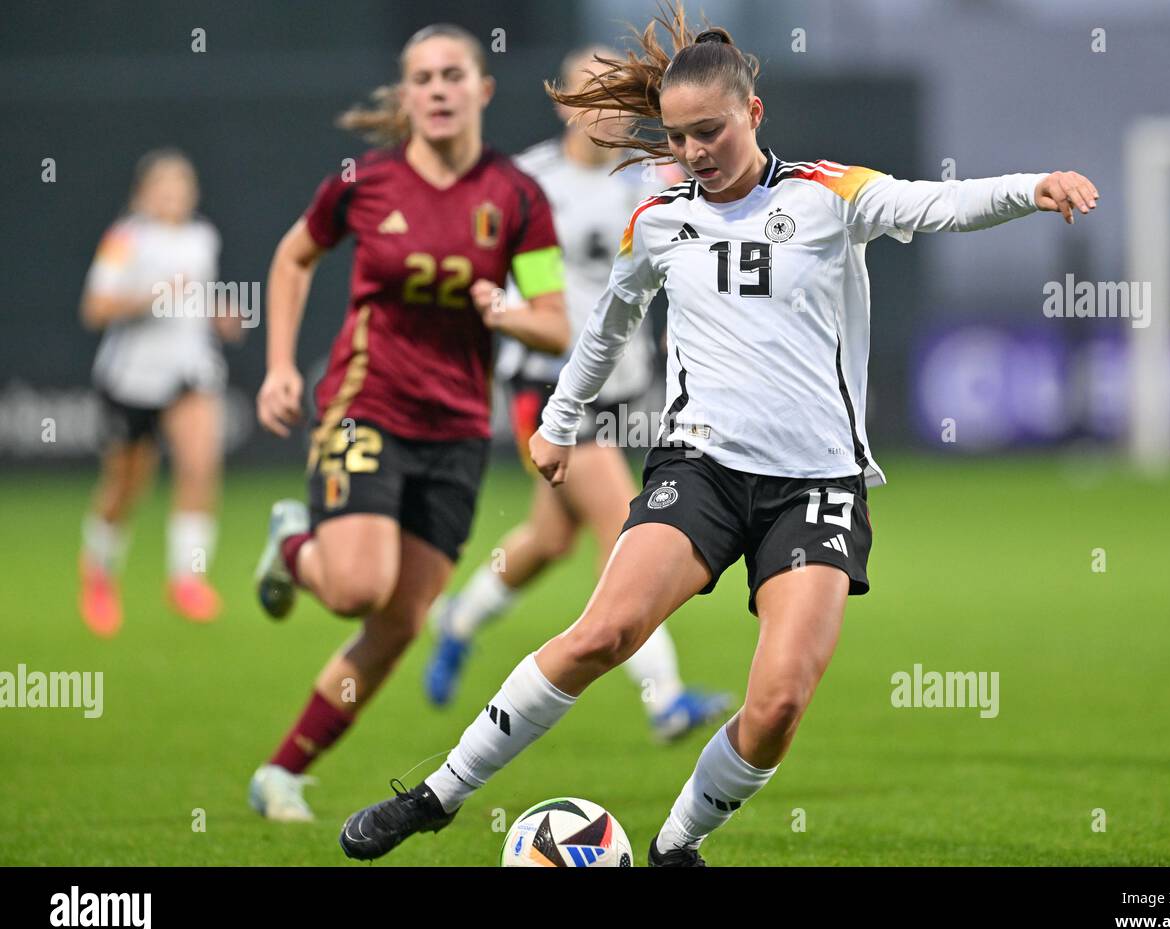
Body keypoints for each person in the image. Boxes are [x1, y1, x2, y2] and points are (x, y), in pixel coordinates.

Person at [338, 6, 1098, 865]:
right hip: (699, 467)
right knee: (601, 635)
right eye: (678, 137)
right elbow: (605, 330)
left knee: (776, 706)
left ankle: (674, 845)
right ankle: (437, 797)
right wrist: (557, 426)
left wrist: (1031, 187)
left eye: (711, 131)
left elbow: (937, 203)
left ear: (753, 114)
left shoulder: (829, 195)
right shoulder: (658, 219)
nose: (696, 152)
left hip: (816, 489)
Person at [247, 23, 569, 823]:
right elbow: (293, 257)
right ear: (407, 95)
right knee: (358, 586)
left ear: (482, 90)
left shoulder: (519, 198)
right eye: (421, 77)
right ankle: (295, 540)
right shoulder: (368, 181)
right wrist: (281, 366)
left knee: (399, 622)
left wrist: (511, 312)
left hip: (457, 429)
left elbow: (559, 323)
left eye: (452, 74)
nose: (436, 88)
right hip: (368, 404)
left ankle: (281, 772)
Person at [423, 45, 731, 743]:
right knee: (622, 524)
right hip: (547, 388)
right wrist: (496, 308)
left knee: (547, 538)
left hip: (626, 387)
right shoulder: (525, 182)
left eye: (617, 94)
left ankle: (458, 622)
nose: (606, 108)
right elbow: (478, 273)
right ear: (562, 102)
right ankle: (665, 698)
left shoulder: (654, 179)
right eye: (590, 93)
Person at [78, 148, 237, 638]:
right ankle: (100, 572)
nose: (173, 195)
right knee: (126, 487)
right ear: (142, 194)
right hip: (132, 379)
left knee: (200, 465)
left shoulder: (203, 237)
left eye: (181, 185)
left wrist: (222, 314)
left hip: (190, 371)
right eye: (162, 187)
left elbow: (200, 295)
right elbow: (96, 308)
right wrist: (151, 296)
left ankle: (187, 578)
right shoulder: (125, 240)